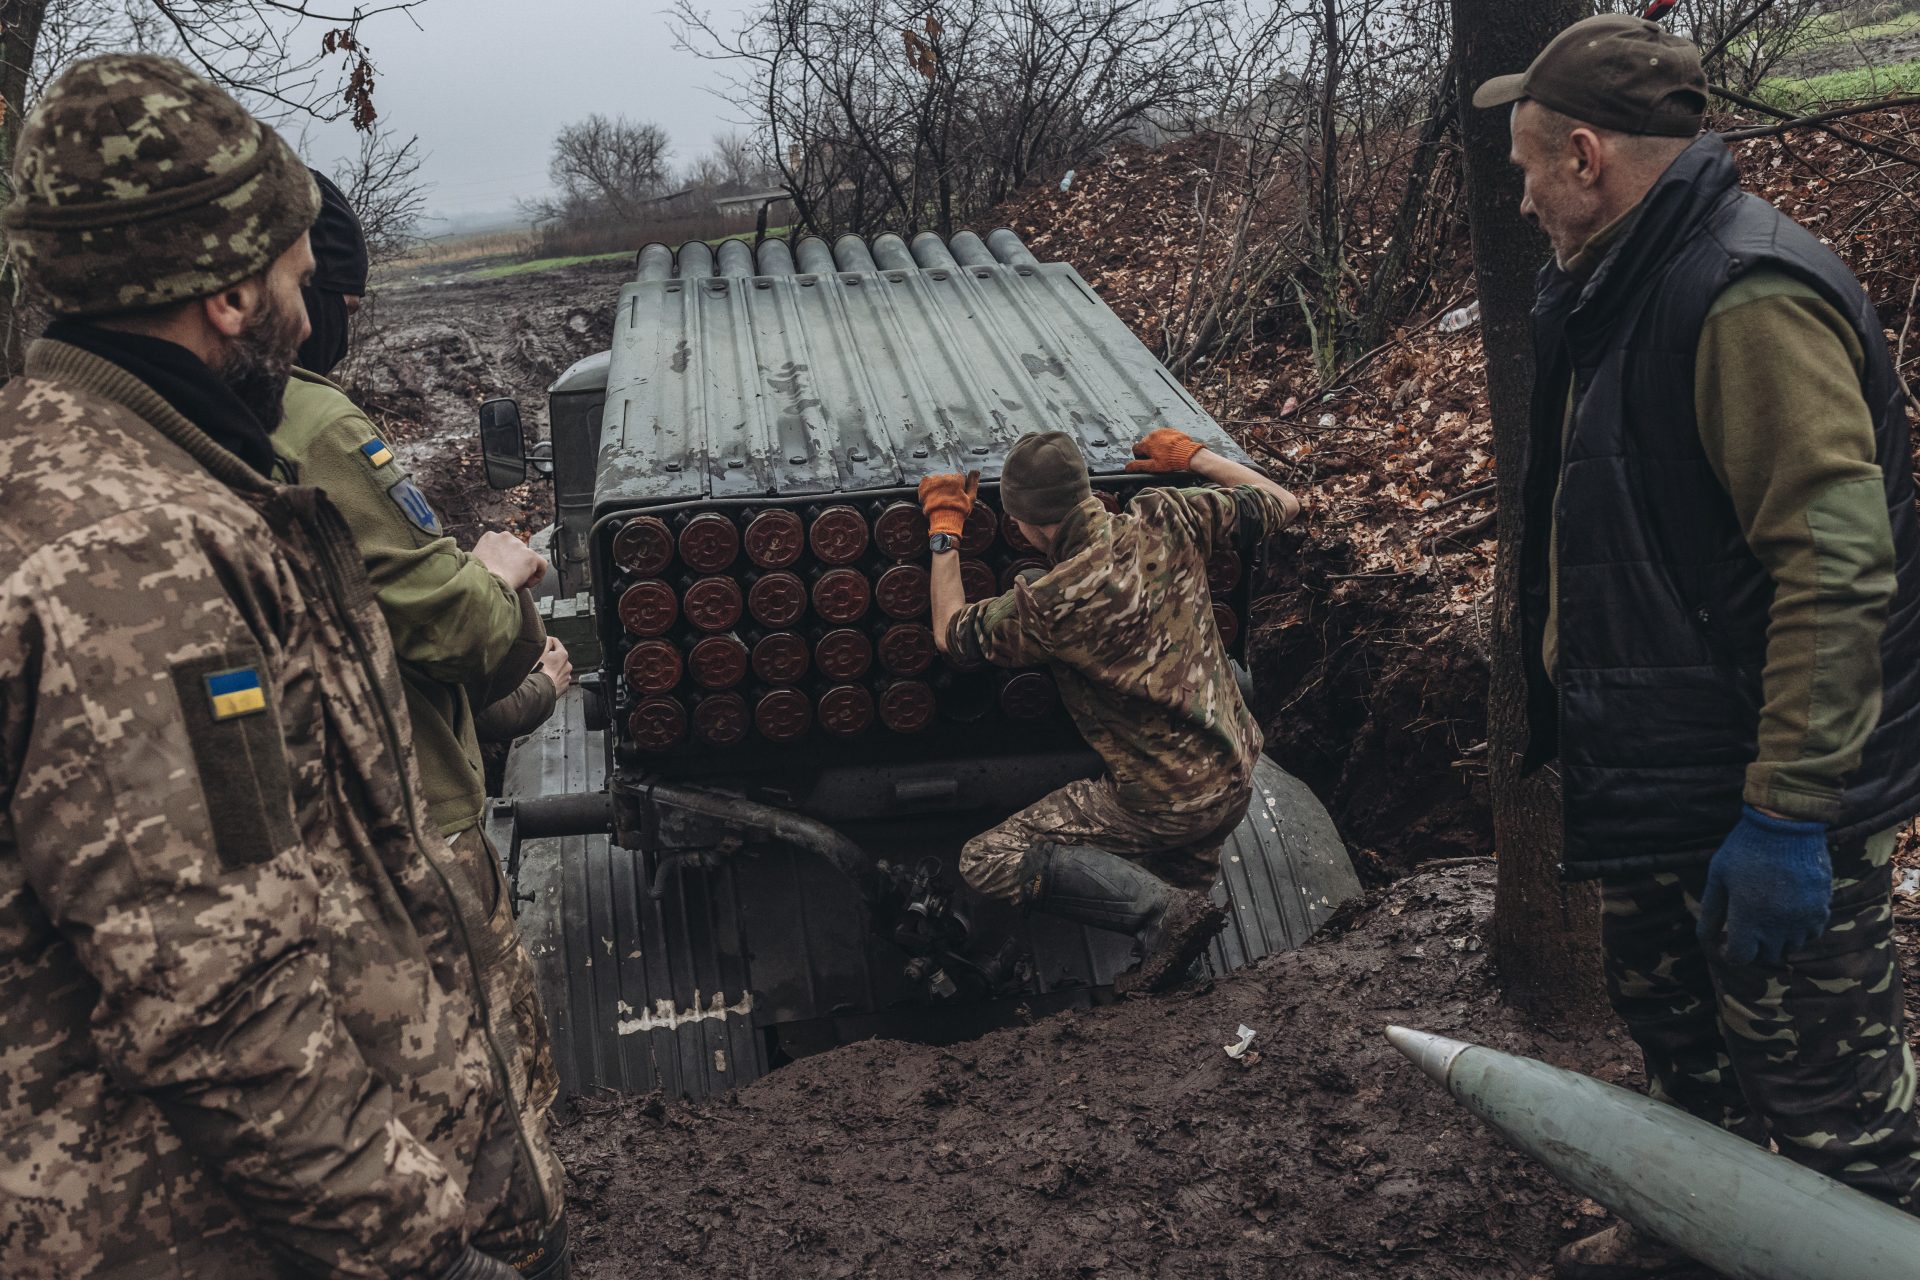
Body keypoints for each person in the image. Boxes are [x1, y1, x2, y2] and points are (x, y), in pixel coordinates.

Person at [0, 55, 558, 1280]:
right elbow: (220, 1000)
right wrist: (423, 1251)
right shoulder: (131, 556)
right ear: (233, 297)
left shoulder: (109, 469)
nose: (316, 317)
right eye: (303, 278)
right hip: (203, 1229)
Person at [1474, 15, 1920, 1276]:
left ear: (1586, 154)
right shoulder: (1626, 280)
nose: (1518, 195)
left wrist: (1788, 816)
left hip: (1771, 802)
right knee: (1686, 1055)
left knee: (1840, 1117)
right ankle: (1691, 1241)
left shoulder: (1744, 296)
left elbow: (1835, 570)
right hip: (1676, 788)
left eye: (1523, 168)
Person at [273, 167, 572, 1277]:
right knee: (498, 1124)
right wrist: (501, 577)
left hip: (300, 842)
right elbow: (457, 632)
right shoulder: (313, 423)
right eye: (321, 286)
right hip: (410, 833)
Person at [921, 428, 1302, 993]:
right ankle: (1174, 975)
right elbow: (1285, 501)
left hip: (1160, 800)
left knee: (987, 858)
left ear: (1029, 523)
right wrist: (1196, 456)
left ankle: (1156, 915)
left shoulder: (1049, 603)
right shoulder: (1170, 517)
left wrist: (944, 532)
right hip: (1235, 773)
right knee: (1185, 916)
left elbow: (951, 632)